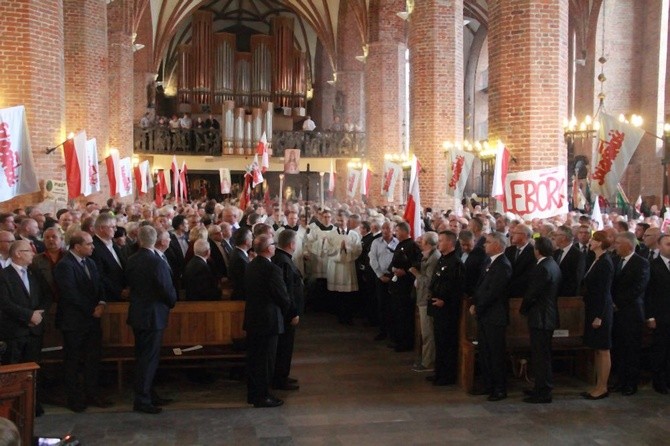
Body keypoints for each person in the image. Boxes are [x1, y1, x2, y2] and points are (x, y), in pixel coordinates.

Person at [54, 231, 112, 412]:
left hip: (92, 321)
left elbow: (99, 285)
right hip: (74, 322)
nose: (93, 246)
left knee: (92, 359)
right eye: (88, 244)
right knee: (73, 361)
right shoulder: (65, 265)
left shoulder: (91, 263)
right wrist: (91, 309)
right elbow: (70, 294)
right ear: (77, 247)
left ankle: (92, 393)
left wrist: (101, 303)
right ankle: (74, 398)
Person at [126, 225, 178, 414]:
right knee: (148, 359)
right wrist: (172, 301)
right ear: (155, 239)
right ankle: (142, 399)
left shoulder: (132, 259)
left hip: (138, 313)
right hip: (153, 315)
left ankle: (148, 393)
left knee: (142, 356)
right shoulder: (156, 262)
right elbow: (166, 288)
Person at [243, 234, 298, 408]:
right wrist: (292, 314)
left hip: (253, 319)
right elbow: (282, 296)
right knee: (266, 361)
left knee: (254, 360)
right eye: (273, 244)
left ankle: (253, 394)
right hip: (268, 321)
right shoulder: (272, 269)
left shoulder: (251, 265)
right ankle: (263, 396)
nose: (275, 247)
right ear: (269, 249)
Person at [470, 232, 512, 401]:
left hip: (495, 316)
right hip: (485, 315)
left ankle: (500, 389)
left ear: (497, 245)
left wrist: (478, 307)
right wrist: (474, 301)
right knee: (486, 352)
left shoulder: (503, 265)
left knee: (496, 354)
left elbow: (493, 292)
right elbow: (481, 287)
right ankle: (488, 385)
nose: (484, 245)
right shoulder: (489, 262)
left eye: (487, 242)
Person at [519, 237, 561, 404]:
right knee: (541, 355)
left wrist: (523, 309)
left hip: (541, 316)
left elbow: (533, 293)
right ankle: (540, 387)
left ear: (538, 250)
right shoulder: (552, 264)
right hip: (546, 315)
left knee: (541, 356)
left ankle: (543, 392)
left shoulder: (543, 267)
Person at [610, 231, 649, 396]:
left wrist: (617, 303)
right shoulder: (616, 260)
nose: (615, 246)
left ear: (629, 245)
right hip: (616, 313)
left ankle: (631, 383)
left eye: (618, 243)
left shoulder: (641, 263)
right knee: (619, 348)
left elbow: (638, 288)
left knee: (631, 350)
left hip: (631, 313)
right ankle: (620, 380)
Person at [580, 230, 614, 400]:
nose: (591, 241)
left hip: (601, 310)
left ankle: (603, 386)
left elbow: (604, 291)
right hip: (593, 307)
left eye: (594, 239)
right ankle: (598, 384)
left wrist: (599, 316)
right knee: (597, 349)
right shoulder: (596, 259)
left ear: (600, 242)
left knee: (603, 349)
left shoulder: (605, 262)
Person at [426, 231, 464, 385]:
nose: (438, 243)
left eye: (441, 241)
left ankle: (447, 376)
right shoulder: (443, 259)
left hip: (447, 310)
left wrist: (446, 301)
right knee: (440, 342)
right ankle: (439, 372)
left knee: (447, 343)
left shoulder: (455, 262)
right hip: (438, 307)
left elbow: (457, 288)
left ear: (450, 243)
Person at [271, 229, 304, 391]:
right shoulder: (283, 261)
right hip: (286, 315)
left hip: (285, 313)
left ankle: (283, 375)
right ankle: (279, 378)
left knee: (286, 346)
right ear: (291, 244)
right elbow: (287, 291)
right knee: (284, 347)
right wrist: (293, 313)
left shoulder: (282, 258)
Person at [409, 232, 440, 373]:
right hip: (421, 298)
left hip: (427, 299)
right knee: (425, 331)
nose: (420, 243)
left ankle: (429, 362)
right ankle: (425, 358)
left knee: (428, 332)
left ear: (427, 243)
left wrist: (416, 273)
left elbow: (429, 282)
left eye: (422, 241)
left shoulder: (434, 258)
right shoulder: (428, 255)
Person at [388, 222, 421, 352]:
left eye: (397, 230)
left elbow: (416, 265)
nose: (395, 233)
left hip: (405, 287)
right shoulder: (400, 245)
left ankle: (406, 342)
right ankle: (398, 339)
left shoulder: (412, 246)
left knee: (404, 315)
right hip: (397, 286)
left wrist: (405, 272)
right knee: (397, 314)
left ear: (404, 231)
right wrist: (393, 268)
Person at [645, 234, 670, 394]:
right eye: (668, 244)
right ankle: (659, 380)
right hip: (661, 315)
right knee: (660, 349)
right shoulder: (653, 266)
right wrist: (650, 316)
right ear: (660, 246)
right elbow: (648, 293)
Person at [369, 220, 398, 341]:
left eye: (388, 228)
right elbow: (373, 259)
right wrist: (380, 275)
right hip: (380, 276)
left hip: (394, 276)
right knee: (382, 304)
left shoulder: (397, 243)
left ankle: (393, 331)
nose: (385, 231)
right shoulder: (376, 242)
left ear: (393, 230)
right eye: (383, 228)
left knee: (393, 305)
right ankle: (382, 330)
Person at [90, 214, 127, 302]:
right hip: (109, 296)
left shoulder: (112, 243)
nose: (115, 229)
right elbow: (100, 275)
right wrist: (119, 291)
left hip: (122, 291)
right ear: (102, 228)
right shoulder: (94, 247)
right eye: (113, 227)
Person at [552, 225, 585, 297]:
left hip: (567, 297)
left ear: (563, 237)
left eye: (556, 235)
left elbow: (576, 279)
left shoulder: (578, 255)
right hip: (554, 295)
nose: (554, 237)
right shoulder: (556, 253)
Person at [229, 226, 252, 301]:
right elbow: (244, 282)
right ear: (246, 241)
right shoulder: (240, 259)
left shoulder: (239, 253)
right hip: (241, 299)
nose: (252, 240)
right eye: (251, 237)